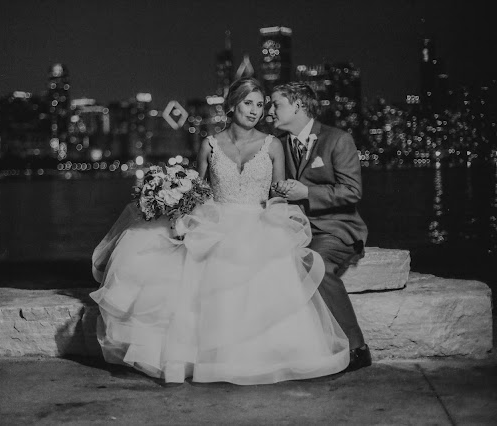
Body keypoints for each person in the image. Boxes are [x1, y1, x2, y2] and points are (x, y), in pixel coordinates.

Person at [90, 77, 350, 385]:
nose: (255, 111)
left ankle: (268, 357)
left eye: (260, 104)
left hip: (260, 224)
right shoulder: (210, 145)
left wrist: (281, 223)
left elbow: (278, 194)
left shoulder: (273, 145)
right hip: (216, 225)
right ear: (231, 106)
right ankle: (207, 360)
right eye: (248, 103)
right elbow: (198, 193)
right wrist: (178, 205)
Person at [269, 82, 371, 371]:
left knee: (317, 265)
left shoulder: (337, 139)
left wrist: (307, 194)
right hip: (291, 229)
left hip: (335, 229)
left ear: (298, 105)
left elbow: (352, 191)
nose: (270, 111)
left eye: (276, 104)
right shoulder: (277, 143)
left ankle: (357, 348)